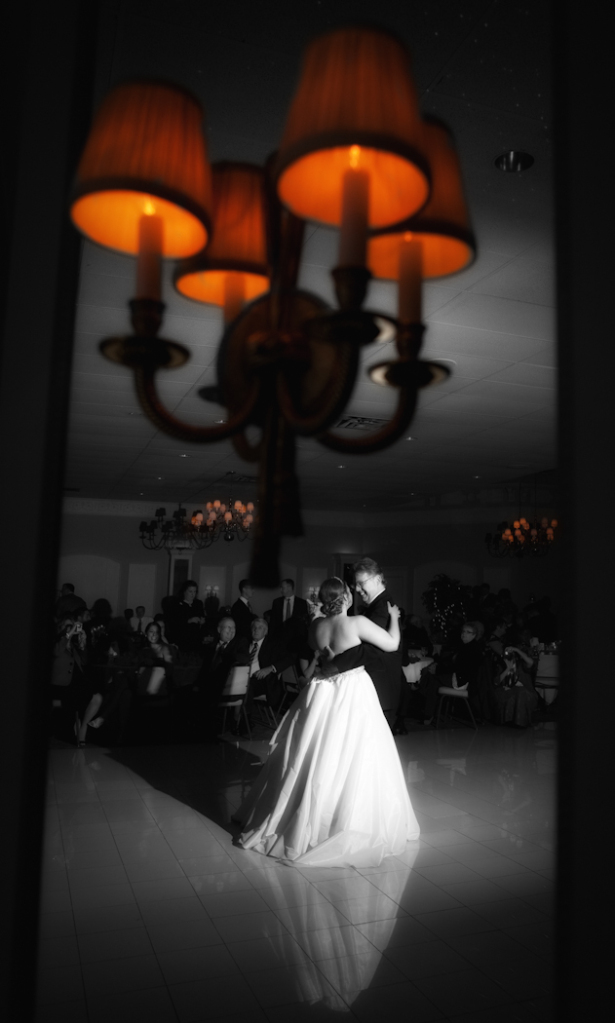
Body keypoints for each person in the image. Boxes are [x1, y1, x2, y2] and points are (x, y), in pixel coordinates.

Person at [234, 577, 420, 867]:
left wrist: (318, 617)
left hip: (321, 690)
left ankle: (302, 812)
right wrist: (395, 618)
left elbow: (316, 650)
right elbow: (392, 644)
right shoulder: (357, 623)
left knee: (315, 749)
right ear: (346, 597)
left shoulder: (316, 627)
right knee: (354, 750)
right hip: (352, 689)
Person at [353, 557, 404, 725]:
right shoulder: (378, 605)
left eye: (361, 583)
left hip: (381, 687)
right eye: (356, 584)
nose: (357, 589)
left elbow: (369, 648)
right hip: (379, 686)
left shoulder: (382, 607)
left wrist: (339, 663)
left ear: (377, 579)